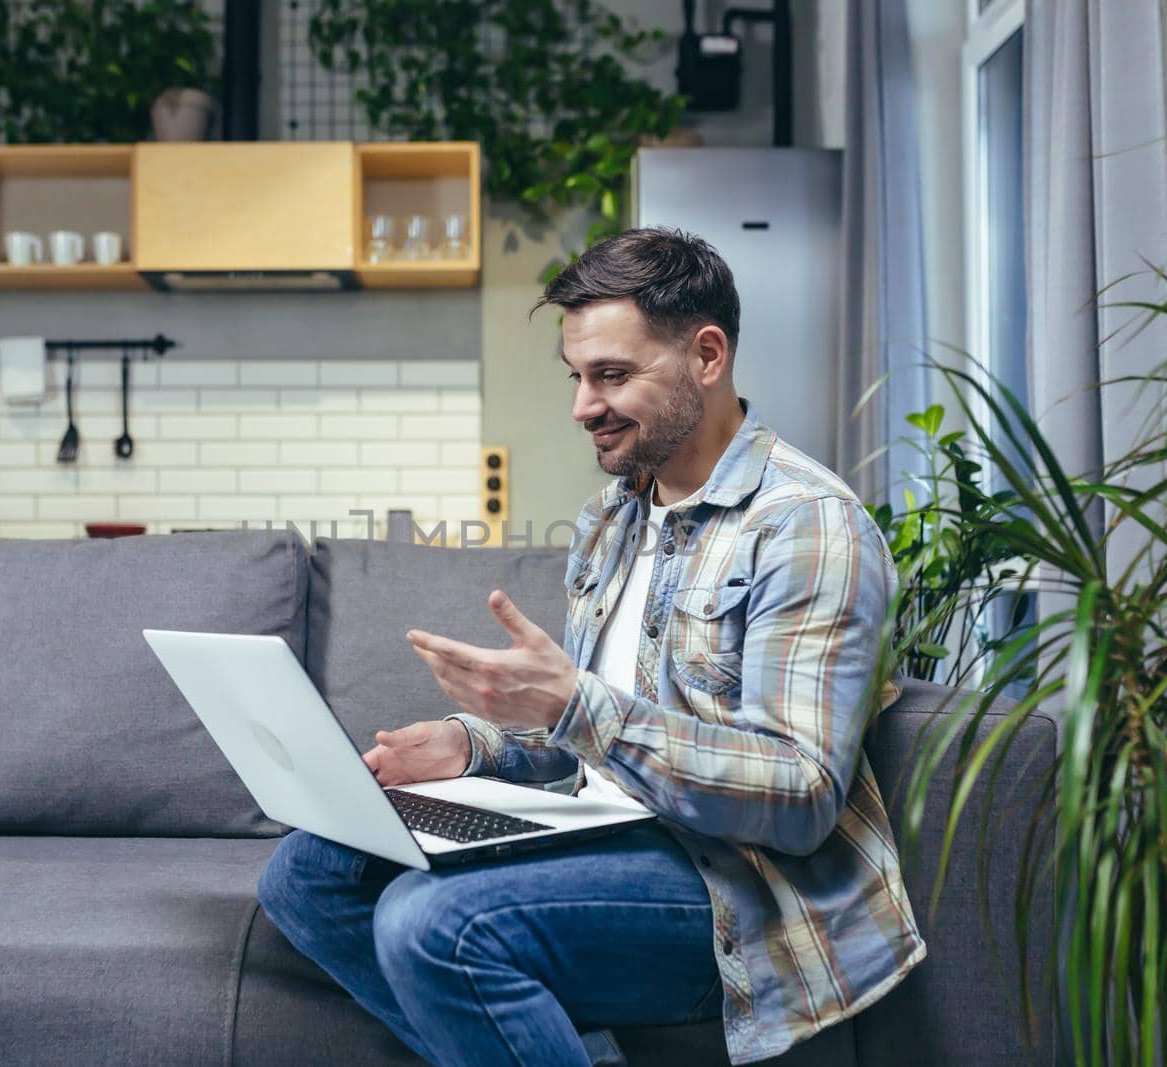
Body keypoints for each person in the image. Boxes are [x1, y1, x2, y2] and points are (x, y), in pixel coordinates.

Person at [256, 227, 925, 1066]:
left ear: (707, 356)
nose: (582, 406)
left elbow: (800, 794)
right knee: (307, 873)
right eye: (577, 376)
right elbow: (584, 746)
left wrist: (575, 705)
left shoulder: (804, 526)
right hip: (613, 834)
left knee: (428, 923)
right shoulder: (612, 519)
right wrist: (470, 744)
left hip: (739, 889)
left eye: (611, 375)